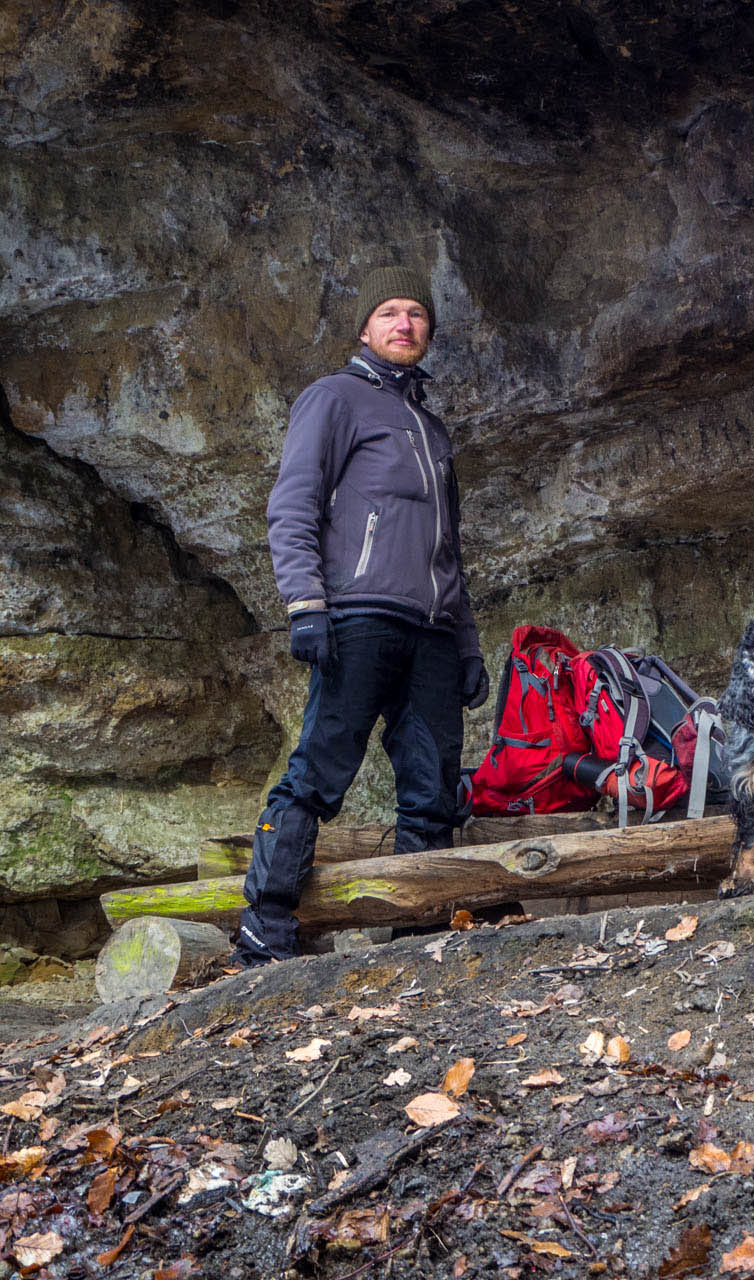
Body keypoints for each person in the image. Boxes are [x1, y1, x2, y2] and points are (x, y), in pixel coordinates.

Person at [234, 266, 490, 965]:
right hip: (359, 619)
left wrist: (467, 645)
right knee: (316, 777)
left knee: (434, 789)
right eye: (388, 312)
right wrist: (306, 604)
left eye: (415, 314)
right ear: (363, 328)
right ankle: (265, 932)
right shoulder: (334, 399)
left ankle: (421, 936)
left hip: (433, 632)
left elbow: (449, 551)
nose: (404, 323)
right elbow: (293, 506)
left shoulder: (431, 430)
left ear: (428, 332)